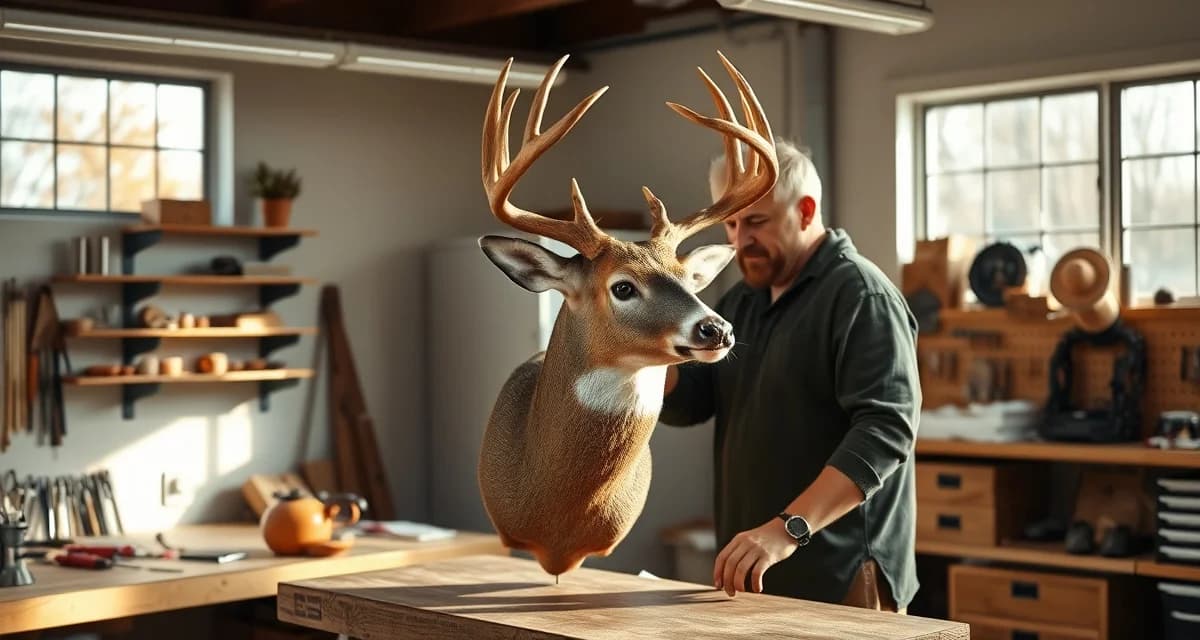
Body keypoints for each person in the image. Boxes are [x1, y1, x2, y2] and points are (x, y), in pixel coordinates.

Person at [658, 138, 921, 612]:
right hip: (757, 573)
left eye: (756, 221)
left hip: (838, 575)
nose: (740, 241)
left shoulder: (860, 295)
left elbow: (886, 431)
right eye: (732, 224)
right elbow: (694, 398)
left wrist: (786, 530)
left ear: (804, 210)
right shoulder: (743, 302)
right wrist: (640, 350)